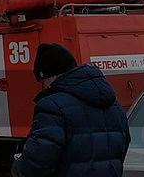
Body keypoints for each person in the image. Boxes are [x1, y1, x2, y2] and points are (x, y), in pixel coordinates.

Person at [12, 43, 130, 177]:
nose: (44, 86)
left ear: (51, 76)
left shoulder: (52, 107)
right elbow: (122, 149)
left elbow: (37, 164)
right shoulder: (114, 105)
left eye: (43, 80)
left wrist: (17, 166)